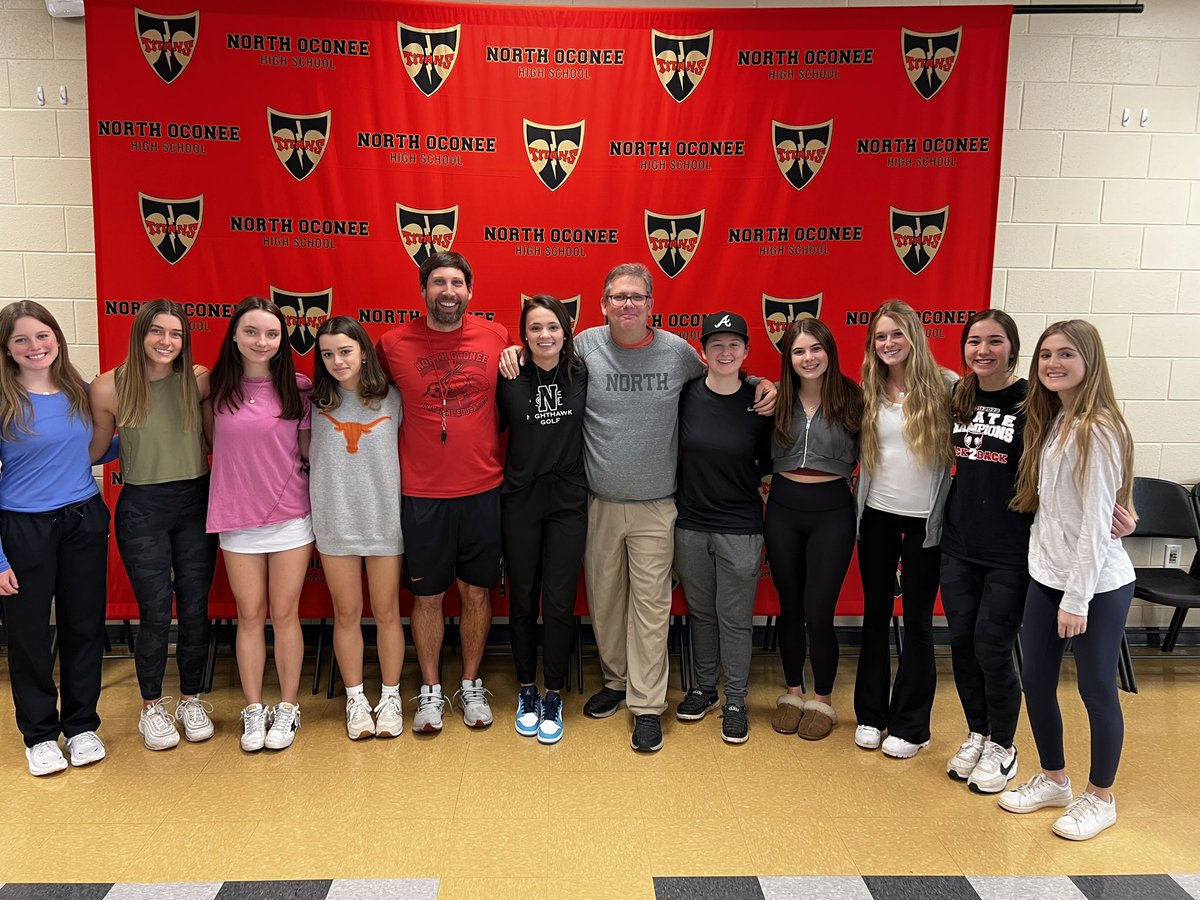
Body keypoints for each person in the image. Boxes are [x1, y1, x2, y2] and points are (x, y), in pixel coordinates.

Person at [503, 263, 775, 753]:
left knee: (650, 609)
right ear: (603, 304)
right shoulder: (584, 345)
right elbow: (540, 353)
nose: (627, 304)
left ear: (651, 304)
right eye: (618, 296)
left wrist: (759, 382)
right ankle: (617, 681)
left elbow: (722, 372)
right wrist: (513, 351)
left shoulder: (676, 352)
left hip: (656, 506)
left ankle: (647, 706)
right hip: (596, 503)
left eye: (636, 296)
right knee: (606, 604)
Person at [941, 311, 1136, 794]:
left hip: (1016, 553)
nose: (983, 350)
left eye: (995, 341)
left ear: (1012, 348)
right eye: (973, 341)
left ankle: (1004, 747)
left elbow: (1097, 497)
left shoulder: (1037, 404)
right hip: (974, 547)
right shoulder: (972, 397)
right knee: (966, 646)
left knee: (994, 648)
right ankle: (981, 735)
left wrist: (1125, 515)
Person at [998, 320, 1136, 842]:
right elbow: (1057, 511)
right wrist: (1049, 581)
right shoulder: (1055, 418)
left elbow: (1097, 526)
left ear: (1090, 361)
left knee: (1095, 687)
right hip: (1048, 576)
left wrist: (1076, 600)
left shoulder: (1098, 428)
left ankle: (1100, 797)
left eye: (1066, 354)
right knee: (1036, 680)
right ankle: (1055, 780)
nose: (1053, 364)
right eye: (1046, 355)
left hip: (1096, 585)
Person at [376, 251, 511, 733]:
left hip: (482, 488)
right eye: (438, 283)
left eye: (456, 283)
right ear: (423, 290)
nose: (448, 292)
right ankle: (431, 689)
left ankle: (471, 683)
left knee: (476, 591)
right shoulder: (392, 345)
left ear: (470, 290)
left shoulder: (498, 337)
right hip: (422, 493)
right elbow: (361, 395)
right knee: (428, 596)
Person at [89, 300, 218, 752]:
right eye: (157, 331)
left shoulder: (199, 380)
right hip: (143, 507)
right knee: (156, 611)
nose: (166, 341)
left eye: (176, 333)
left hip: (196, 502)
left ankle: (191, 700)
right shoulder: (108, 387)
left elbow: (215, 439)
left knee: (196, 607)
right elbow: (95, 450)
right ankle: (151, 707)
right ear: (140, 333)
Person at [0, 301, 111, 776]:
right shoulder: (4, 400)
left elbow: (101, 446)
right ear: (7, 349)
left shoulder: (79, 391)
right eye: (21, 339)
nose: (35, 346)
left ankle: (82, 725)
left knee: (84, 627)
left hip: (82, 520)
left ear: (58, 338)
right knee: (28, 635)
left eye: (42, 335)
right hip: (24, 528)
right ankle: (41, 735)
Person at [206, 296, 313, 753]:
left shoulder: (299, 388)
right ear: (234, 335)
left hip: (290, 516)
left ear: (282, 339)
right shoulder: (212, 388)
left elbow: (308, 452)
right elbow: (209, 442)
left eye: (271, 333)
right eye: (251, 332)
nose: (261, 341)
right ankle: (254, 708)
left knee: (285, 614)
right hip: (236, 517)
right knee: (249, 615)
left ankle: (287, 706)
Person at [854, 300, 957, 759]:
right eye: (880, 336)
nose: (888, 343)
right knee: (876, 615)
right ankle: (871, 715)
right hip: (876, 515)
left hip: (925, 524)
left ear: (914, 336)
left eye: (896, 334)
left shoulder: (948, 387)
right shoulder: (868, 389)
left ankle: (912, 725)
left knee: (916, 620)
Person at [672, 312, 773, 744]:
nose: (725, 352)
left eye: (734, 344)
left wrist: (765, 383)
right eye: (716, 344)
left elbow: (769, 461)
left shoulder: (761, 402)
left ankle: (735, 700)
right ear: (703, 351)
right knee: (702, 612)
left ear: (746, 350)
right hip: (691, 523)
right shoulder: (686, 395)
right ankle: (704, 688)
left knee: (734, 618)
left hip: (740, 527)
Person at [764, 317, 862, 742]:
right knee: (790, 607)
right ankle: (793, 694)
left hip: (832, 512)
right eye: (799, 351)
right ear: (788, 357)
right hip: (783, 508)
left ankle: (822, 699)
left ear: (829, 351)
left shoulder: (854, 397)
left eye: (816, 348)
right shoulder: (775, 396)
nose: (808, 358)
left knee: (819, 611)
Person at [496, 295, 587, 745]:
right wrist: (509, 354)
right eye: (535, 328)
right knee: (523, 598)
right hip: (521, 499)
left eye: (553, 326)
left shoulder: (583, 372)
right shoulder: (509, 374)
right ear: (524, 335)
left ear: (566, 331)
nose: (545, 335)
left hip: (568, 501)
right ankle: (527, 690)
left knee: (559, 601)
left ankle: (553, 693)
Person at [309, 317, 405, 741]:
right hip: (335, 523)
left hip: (384, 521)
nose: (337, 361)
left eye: (345, 351)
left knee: (386, 612)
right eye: (328, 354)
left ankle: (390, 696)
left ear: (364, 352)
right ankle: (355, 699)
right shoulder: (313, 403)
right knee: (346, 613)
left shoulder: (393, 400)